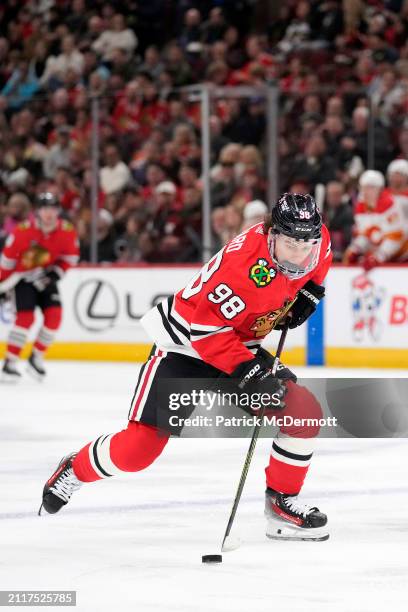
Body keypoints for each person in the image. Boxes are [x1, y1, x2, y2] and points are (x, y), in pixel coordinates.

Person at [39, 193, 332, 542]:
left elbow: (320, 262)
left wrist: (311, 292)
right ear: (271, 235)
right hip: (185, 345)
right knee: (138, 450)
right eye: (289, 245)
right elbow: (206, 334)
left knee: (303, 414)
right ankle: (75, 468)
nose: (299, 255)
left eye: (305, 246)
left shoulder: (315, 238)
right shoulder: (241, 268)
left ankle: (281, 505)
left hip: (239, 344)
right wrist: (251, 374)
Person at [0, 193, 79, 382]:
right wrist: (2, 286)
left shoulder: (67, 231)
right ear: (38, 212)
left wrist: (53, 275)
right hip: (23, 279)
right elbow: (8, 261)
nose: (49, 213)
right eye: (45, 209)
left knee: (55, 317)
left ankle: (36, 357)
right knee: (25, 318)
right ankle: (10, 363)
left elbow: (70, 258)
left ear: (58, 211)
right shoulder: (23, 231)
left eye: (53, 208)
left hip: (45, 278)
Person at [343, 169, 408, 269]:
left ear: (380, 189)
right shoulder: (361, 207)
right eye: (364, 187)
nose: (367, 191)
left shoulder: (391, 205)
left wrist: (379, 257)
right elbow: (365, 234)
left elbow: (395, 238)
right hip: (381, 256)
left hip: (402, 258)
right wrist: (355, 249)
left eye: (371, 187)